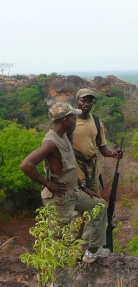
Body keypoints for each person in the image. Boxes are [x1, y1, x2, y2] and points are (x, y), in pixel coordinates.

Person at [20, 102, 110, 279]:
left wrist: (82, 186)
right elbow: (26, 165)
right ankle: (59, 282)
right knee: (60, 242)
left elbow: (70, 166)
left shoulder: (64, 135)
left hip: (73, 192)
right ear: (65, 120)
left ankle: (92, 251)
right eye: (73, 116)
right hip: (59, 199)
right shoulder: (50, 142)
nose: (75, 119)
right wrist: (48, 184)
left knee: (98, 206)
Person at [70, 88, 123, 196]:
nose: (86, 104)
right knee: (79, 207)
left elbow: (103, 148)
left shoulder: (96, 121)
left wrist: (114, 154)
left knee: (96, 205)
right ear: (77, 101)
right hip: (75, 173)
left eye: (89, 101)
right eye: (83, 101)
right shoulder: (70, 121)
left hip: (93, 172)